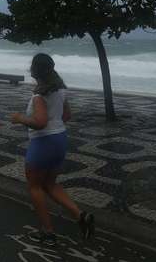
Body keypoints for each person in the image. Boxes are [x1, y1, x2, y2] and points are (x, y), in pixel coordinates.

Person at [10, 53, 95, 245]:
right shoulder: (60, 91)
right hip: (60, 139)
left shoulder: (40, 96)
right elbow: (67, 116)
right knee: (50, 184)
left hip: (43, 143)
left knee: (35, 186)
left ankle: (48, 232)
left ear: (34, 71)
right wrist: (54, 124)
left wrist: (20, 118)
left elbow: (39, 123)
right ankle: (81, 215)